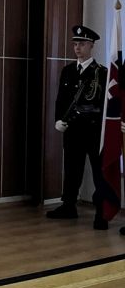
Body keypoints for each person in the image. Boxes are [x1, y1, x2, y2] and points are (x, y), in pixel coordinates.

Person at [47, 25, 108, 229]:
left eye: (82, 44)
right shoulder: (68, 71)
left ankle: (102, 212)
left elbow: (102, 104)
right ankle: (69, 206)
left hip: (93, 130)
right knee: (72, 169)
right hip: (72, 130)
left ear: (91, 45)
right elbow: (61, 100)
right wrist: (59, 119)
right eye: (75, 44)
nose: (77, 48)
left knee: (99, 172)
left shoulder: (101, 73)